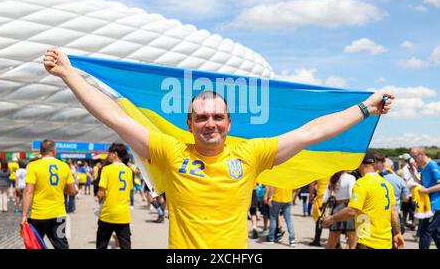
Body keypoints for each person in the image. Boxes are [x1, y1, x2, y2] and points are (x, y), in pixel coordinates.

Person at [43, 47, 394, 248]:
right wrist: (70, 74)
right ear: (189, 123)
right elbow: (113, 116)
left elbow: (311, 132)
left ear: (228, 124)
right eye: (202, 117)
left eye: (217, 117)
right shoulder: (170, 150)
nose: (210, 123)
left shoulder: (250, 154)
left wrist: (364, 109)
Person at [322, 151, 405, 249]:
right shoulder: (386, 184)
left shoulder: (361, 183)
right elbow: (394, 212)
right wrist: (397, 233)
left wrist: (332, 219)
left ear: (359, 163)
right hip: (385, 243)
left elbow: (352, 210)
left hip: (366, 241)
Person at [21, 140, 76, 249]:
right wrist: (61, 189)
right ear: (54, 151)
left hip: (38, 215)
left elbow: (28, 192)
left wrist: (23, 215)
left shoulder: (33, 165)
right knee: (61, 245)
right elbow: (72, 191)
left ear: (41, 151)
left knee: (35, 245)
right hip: (59, 215)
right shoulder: (64, 166)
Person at [96, 143, 133, 249]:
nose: (108, 156)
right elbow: (129, 190)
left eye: (109, 153)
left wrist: (99, 197)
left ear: (115, 154)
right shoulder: (128, 170)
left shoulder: (107, 169)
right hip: (123, 214)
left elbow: (101, 193)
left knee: (101, 245)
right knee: (125, 246)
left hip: (108, 213)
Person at [410, 147, 440, 249]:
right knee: (435, 233)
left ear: (421, 154)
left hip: (435, 204)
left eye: (414, 156)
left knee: (425, 231)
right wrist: (413, 174)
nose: (413, 159)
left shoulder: (432, 165)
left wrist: (426, 191)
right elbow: (423, 184)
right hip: (428, 204)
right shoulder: (423, 167)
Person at [322, 171, 357, 249]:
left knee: (331, 244)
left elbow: (325, 198)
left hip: (336, 209)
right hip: (348, 209)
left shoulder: (333, 178)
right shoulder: (351, 178)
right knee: (352, 245)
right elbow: (351, 195)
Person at [380, 158, 410, 234]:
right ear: (392, 167)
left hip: (380, 214)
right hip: (396, 212)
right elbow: (406, 198)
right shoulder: (400, 180)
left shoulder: (377, 179)